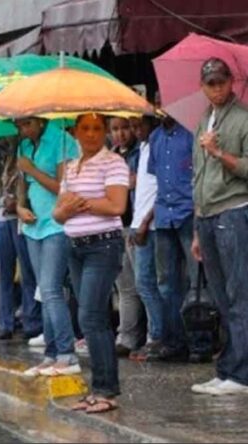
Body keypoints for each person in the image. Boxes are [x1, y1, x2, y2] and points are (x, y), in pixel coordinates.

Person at [54, 113, 129, 414]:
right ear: (75, 132)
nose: (91, 134)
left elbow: (116, 205)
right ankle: (96, 387)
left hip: (103, 244)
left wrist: (77, 204)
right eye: (85, 128)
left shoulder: (113, 162)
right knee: (84, 319)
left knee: (92, 316)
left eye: (98, 128)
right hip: (75, 246)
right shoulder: (72, 167)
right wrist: (67, 208)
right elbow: (58, 214)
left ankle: (106, 390)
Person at [190, 58, 248, 396]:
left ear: (230, 82)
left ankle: (240, 374)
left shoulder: (242, 119)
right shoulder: (202, 120)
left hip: (234, 211)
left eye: (221, 81)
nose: (216, 88)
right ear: (202, 85)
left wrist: (219, 152)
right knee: (222, 298)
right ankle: (228, 367)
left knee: (240, 296)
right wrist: (197, 227)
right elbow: (197, 176)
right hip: (208, 215)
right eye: (210, 83)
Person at [15, 118, 81, 377]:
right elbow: (21, 185)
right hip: (33, 225)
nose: (23, 130)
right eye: (19, 125)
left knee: (52, 288)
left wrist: (32, 170)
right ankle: (51, 353)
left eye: (27, 124)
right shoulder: (23, 145)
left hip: (56, 224)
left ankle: (67, 353)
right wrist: (20, 207)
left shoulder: (62, 140)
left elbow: (62, 188)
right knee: (44, 290)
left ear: (41, 120)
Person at [146, 105, 203, 363]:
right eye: (159, 103)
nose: (163, 108)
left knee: (197, 280)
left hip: (189, 212)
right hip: (164, 215)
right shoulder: (155, 137)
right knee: (166, 283)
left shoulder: (191, 133)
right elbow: (156, 178)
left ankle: (200, 343)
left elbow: (200, 174)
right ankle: (173, 341)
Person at [0, 140, 40, 340]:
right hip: (2, 216)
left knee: (27, 273)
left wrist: (17, 203)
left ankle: (30, 321)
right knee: (4, 274)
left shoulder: (26, 154)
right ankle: (5, 322)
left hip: (22, 217)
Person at [127, 116, 166, 362]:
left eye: (140, 125)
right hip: (138, 223)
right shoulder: (142, 148)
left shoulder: (156, 145)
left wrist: (143, 223)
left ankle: (157, 337)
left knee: (148, 283)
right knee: (145, 284)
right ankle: (156, 336)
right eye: (132, 126)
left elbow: (162, 188)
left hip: (150, 226)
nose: (135, 130)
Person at [108, 117, 144, 356]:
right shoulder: (110, 157)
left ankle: (151, 335)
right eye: (115, 129)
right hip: (115, 226)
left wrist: (133, 182)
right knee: (125, 287)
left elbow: (146, 182)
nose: (120, 134)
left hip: (135, 225)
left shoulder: (140, 152)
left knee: (144, 283)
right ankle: (126, 336)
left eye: (124, 128)